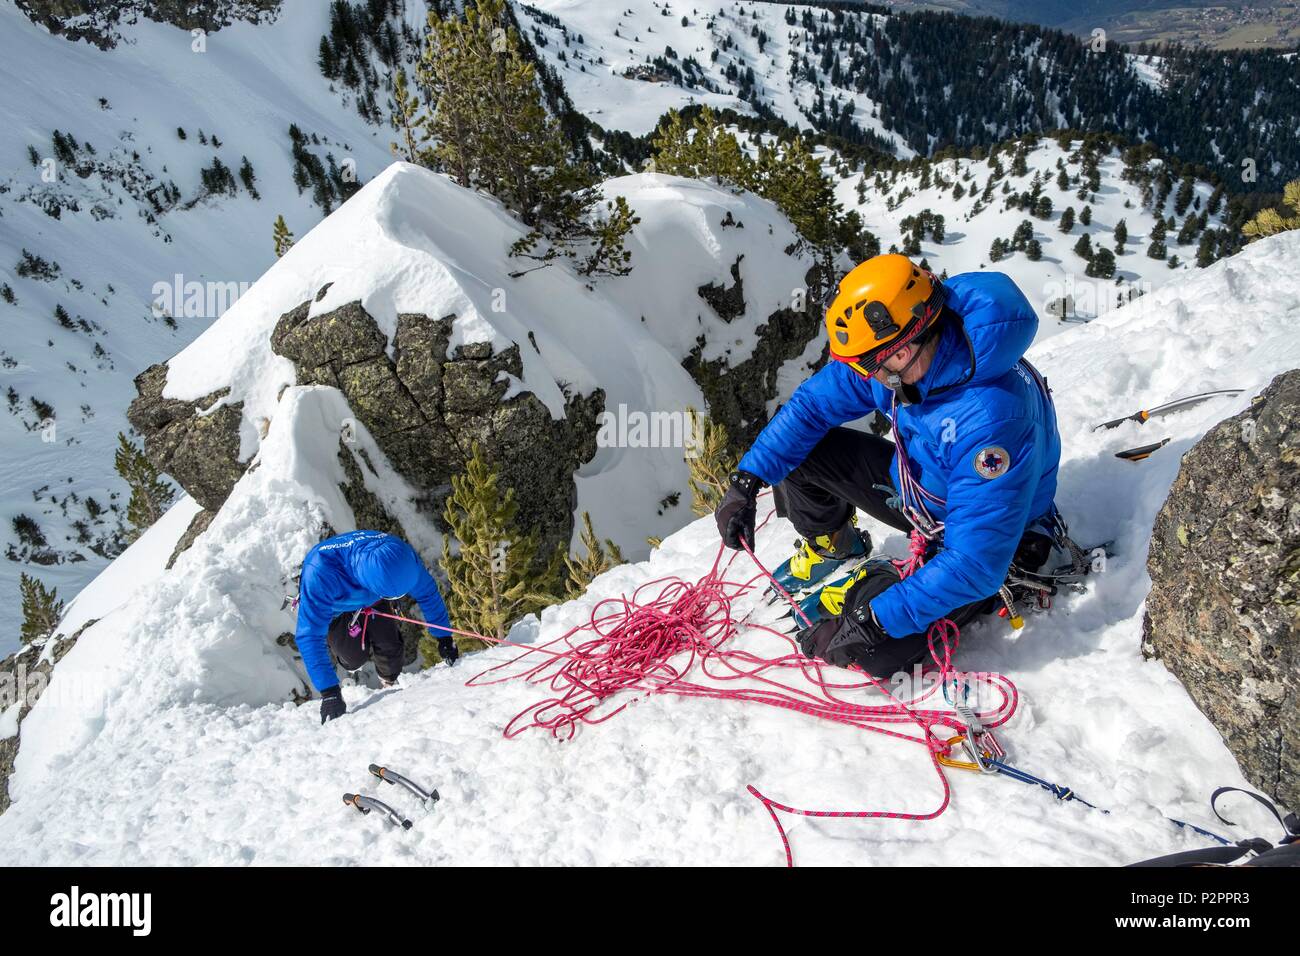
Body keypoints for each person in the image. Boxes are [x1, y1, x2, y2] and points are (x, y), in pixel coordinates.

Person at [715, 254, 1062, 677]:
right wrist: (747, 479)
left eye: (879, 364)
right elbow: (812, 407)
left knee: (872, 652)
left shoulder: (990, 418)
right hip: (920, 491)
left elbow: (974, 564)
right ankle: (834, 544)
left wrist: (869, 621)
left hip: (991, 540)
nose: (873, 376)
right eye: (867, 365)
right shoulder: (899, 355)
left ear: (910, 342)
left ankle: (882, 590)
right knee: (800, 449)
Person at [294, 530, 456, 724]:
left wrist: (444, 637)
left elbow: (427, 592)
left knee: (391, 651)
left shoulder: (400, 557)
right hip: (336, 609)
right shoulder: (319, 572)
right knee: (353, 659)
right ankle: (354, 656)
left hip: (375, 596)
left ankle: (389, 682)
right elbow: (309, 635)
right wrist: (329, 691)